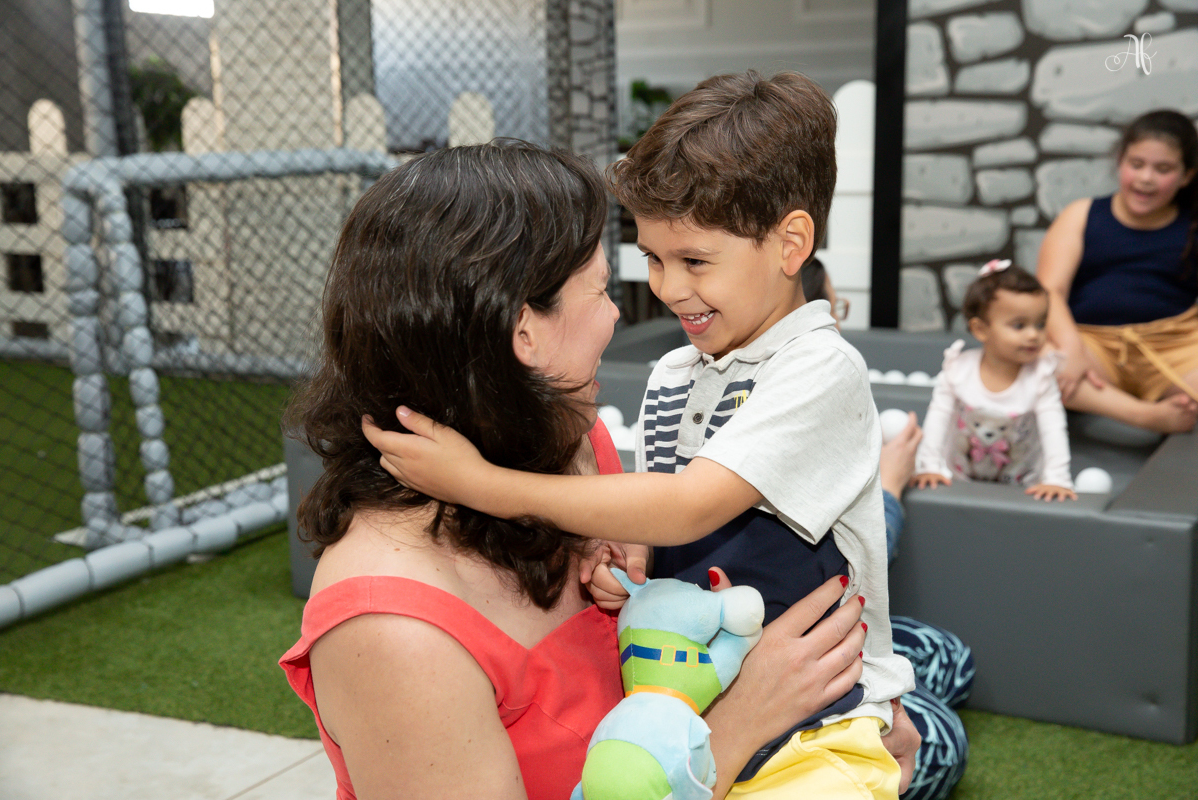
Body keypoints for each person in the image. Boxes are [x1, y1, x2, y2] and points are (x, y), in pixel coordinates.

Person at [278, 141, 909, 800]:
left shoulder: (575, 444)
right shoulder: (393, 633)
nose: (620, 311)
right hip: (748, 743)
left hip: (778, 690)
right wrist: (741, 725)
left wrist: (858, 702)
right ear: (524, 332)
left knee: (916, 699)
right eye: (604, 288)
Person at [806, 266, 975, 800]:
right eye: (834, 310)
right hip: (799, 653)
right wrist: (888, 490)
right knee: (941, 742)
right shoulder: (801, 411)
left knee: (949, 656)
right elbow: (847, 564)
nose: (840, 325)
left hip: (830, 633)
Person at [1037, 109, 1198, 433]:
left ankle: (1169, 406)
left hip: (1176, 345)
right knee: (1035, 365)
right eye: (1136, 164)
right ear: (1120, 162)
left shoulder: (1193, 223)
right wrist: (1070, 347)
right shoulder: (1081, 214)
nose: (1146, 178)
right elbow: (1050, 290)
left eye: (1163, 169)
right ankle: (1145, 415)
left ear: (1186, 176)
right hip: (1092, 344)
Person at [912, 261, 1076, 501]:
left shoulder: (1040, 377)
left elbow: (1054, 429)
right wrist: (928, 466)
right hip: (958, 480)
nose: (1034, 334)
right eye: (1019, 325)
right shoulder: (958, 369)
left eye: (1040, 324)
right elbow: (939, 417)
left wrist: (1056, 479)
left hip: (1022, 487)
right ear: (980, 330)